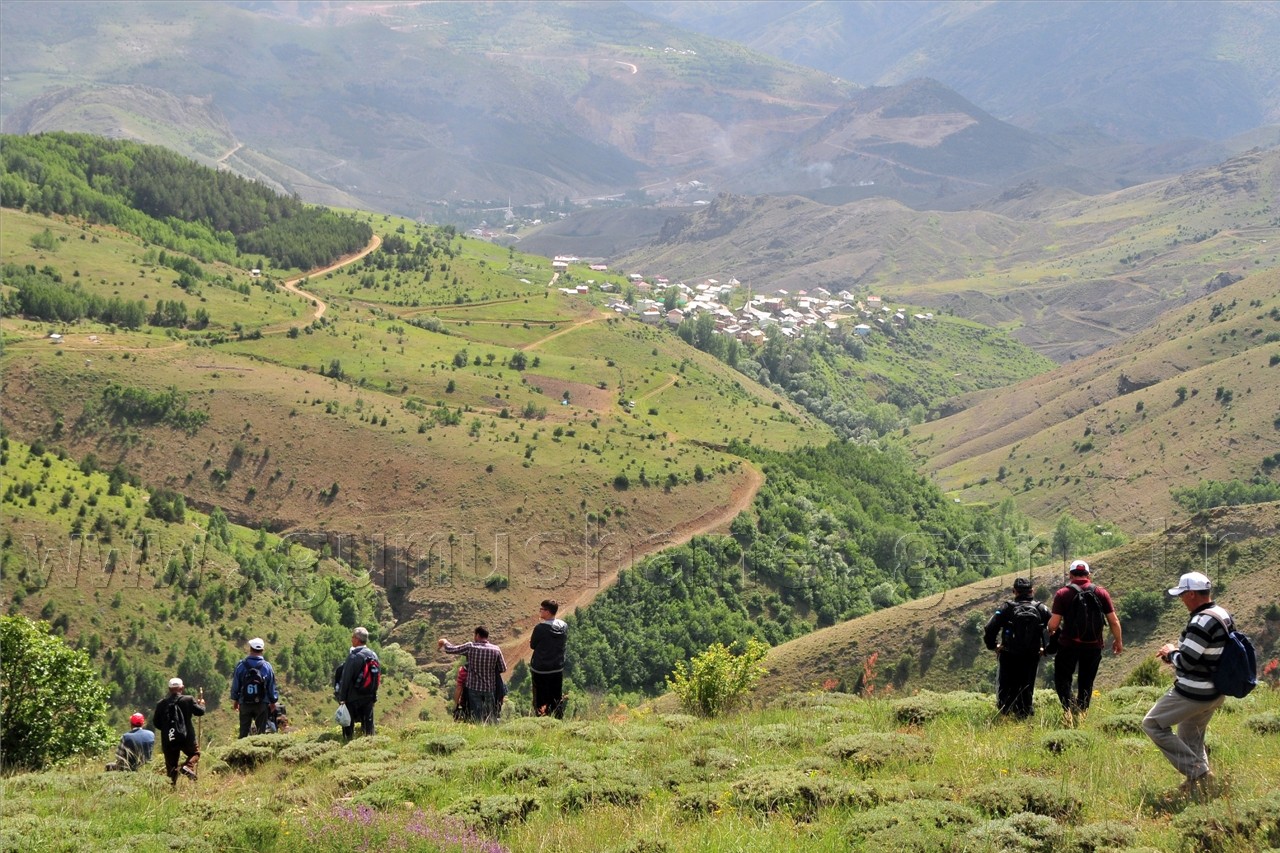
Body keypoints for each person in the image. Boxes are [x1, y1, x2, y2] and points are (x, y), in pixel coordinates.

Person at [1142, 572, 1232, 795]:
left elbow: (1188, 662)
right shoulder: (1221, 613)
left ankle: (1199, 772)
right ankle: (1199, 786)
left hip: (1194, 692)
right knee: (1190, 732)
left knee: (1152, 724)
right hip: (1216, 691)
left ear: (1192, 594)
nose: (1181, 599)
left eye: (1182, 594)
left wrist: (1171, 652)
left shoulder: (1201, 620)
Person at [1047, 559, 1123, 725]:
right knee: (1086, 681)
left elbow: (1053, 624)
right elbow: (1114, 621)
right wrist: (1118, 641)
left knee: (1063, 678)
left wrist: (1050, 630)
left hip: (1068, 645)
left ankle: (1068, 711)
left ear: (1070, 575)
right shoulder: (1101, 593)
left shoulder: (1063, 594)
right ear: (1088, 574)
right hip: (1093, 645)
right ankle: (1082, 715)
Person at [983, 577, 1051, 719]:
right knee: (1027, 684)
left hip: (1009, 654)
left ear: (1014, 591)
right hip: (1032, 655)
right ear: (1032, 591)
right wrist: (1048, 649)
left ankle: (1004, 713)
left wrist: (993, 646)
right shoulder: (1041, 609)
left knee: (1006, 684)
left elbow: (989, 628)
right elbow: (1056, 629)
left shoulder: (1007, 608)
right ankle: (1025, 714)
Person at [439, 626, 507, 723]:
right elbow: (503, 668)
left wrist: (444, 642)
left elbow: (451, 649)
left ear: (477, 635)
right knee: (490, 715)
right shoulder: (496, 649)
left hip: (473, 688)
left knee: (476, 716)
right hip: (489, 688)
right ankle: (490, 732)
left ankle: (478, 731)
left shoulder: (470, 647)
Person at [152, 677, 205, 786]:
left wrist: (169, 729)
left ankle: (172, 789)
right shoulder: (188, 700)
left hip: (169, 738)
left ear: (169, 689)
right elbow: (200, 712)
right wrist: (202, 704)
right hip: (187, 737)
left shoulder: (161, 704)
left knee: (171, 766)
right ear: (182, 688)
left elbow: (156, 723)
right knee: (195, 753)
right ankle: (188, 766)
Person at [337, 626, 381, 741]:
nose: (351, 639)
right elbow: (377, 677)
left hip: (353, 697)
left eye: (352, 637)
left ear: (357, 639)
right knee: (368, 723)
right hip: (369, 696)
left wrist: (342, 698)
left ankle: (348, 743)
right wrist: (374, 696)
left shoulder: (353, 656)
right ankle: (370, 743)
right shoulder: (373, 655)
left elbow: (345, 678)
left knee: (348, 723)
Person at [230, 637, 278, 738]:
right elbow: (271, 686)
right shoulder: (267, 666)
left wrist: (236, 700)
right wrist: (273, 702)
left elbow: (236, 684)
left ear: (250, 649)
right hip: (262, 703)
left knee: (243, 733)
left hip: (245, 703)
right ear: (262, 650)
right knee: (261, 733)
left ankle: (242, 752)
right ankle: (260, 751)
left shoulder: (241, 665)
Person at [530, 599, 568, 718]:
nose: (540, 611)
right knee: (556, 696)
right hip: (557, 668)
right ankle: (558, 719)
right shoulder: (564, 626)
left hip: (540, 669)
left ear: (547, 612)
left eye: (542, 609)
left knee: (540, 698)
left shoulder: (540, 628)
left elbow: (532, 645)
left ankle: (542, 720)